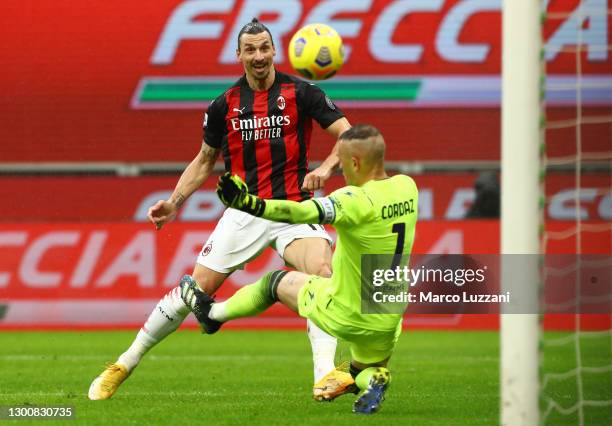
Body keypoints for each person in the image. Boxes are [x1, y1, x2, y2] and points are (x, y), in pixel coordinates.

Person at [88, 18, 352, 401]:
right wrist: (175, 202)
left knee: (323, 274)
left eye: (264, 48)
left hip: (293, 207)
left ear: (275, 51)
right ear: (239, 55)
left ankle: (325, 374)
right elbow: (204, 159)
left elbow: (348, 135)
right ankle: (123, 364)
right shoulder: (223, 105)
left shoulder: (304, 93)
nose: (259, 56)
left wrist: (326, 169)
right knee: (195, 291)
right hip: (244, 212)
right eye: (251, 49)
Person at [180, 124, 419, 413]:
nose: (342, 170)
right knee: (359, 372)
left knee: (276, 282)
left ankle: (212, 314)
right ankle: (376, 378)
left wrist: (249, 204)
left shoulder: (353, 200)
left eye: (343, 164)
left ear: (355, 163)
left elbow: (299, 211)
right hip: (388, 313)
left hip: (347, 311)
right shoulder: (408, 187)